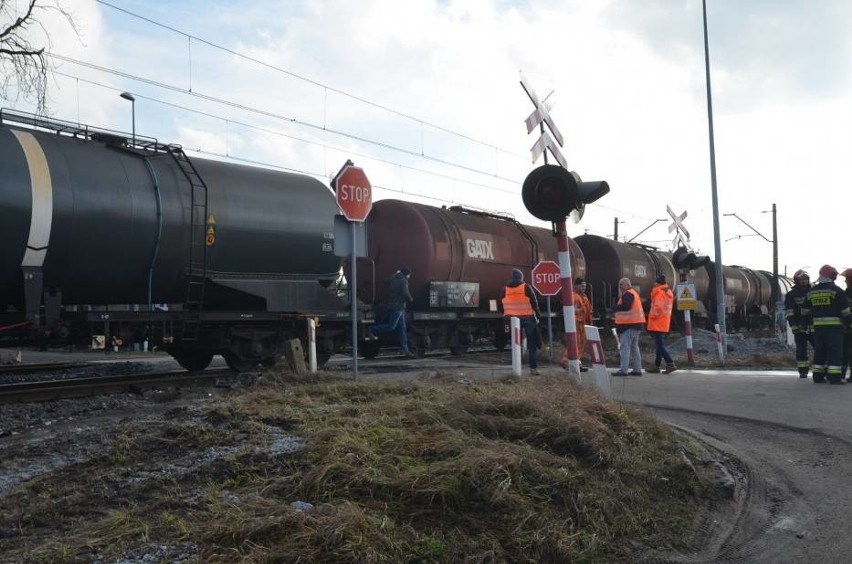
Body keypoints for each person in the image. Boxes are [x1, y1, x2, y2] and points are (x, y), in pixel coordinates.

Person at [800, 265, 852, 384]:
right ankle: (834, 378)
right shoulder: (836, 291)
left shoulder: (812, 291)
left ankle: (817, 376)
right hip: (834, 328)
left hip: (818, 328)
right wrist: (849, 324)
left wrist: (806, 323)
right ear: (832, 276)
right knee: (834, 352)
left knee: (820, 351)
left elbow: (804, 311)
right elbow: (845, 311)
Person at [366, 266, 415, 358]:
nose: (409, 276)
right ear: (407, 274)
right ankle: (371, 329)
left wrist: (394, 275)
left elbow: (386, 281)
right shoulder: (403, 280)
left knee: (402, 329)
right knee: (391, 326)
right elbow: (405, 292)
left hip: (396, 306)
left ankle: (405, 350)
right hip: (398, 306)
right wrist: (411, 299)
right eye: (409, 275)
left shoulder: (394, 279)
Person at [501, 268, 541, 375]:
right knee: (532, 343)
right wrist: (538, 315)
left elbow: (500, 304)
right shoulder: (526, 287)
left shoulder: (505, 289)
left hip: (511, 319)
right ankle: (533, 368)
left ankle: (516, 369)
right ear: (521, 278)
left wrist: (506, 314)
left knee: (514, 343)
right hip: (527, 318)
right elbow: (534, 302)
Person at [612, 277, 645, 376]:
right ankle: (637, 369)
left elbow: (626, 306)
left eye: (621, 285)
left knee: (624, 348)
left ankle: (623, 370)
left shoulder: (628, 294)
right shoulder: (633, 293)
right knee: (634, 348)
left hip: (628, 326)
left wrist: (614, 307)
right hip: (636, 325)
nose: (620, 287)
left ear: (627, 285)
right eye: (620, 285)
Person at [784, 269, 813, 378]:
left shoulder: (813, 292)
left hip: (813, 326)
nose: (804, 281)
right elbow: (789, 311)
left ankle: (821, 370)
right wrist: (793, 324)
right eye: (801, 279)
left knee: (820, 348)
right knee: (801, 350)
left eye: (805, 279)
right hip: (799, 326)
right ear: (796, 281)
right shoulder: (791, 295)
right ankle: (803, 371)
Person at [646, 274, 677, 374]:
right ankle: (656, 366)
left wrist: (652, 317)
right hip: (664, 321)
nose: (653, 284)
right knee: (659, 345)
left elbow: (658, 308)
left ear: (658, 283)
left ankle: (670, 363)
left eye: (655, 282)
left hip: (657, 321)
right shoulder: (667, 292)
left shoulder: (659, 292)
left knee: (659, 345)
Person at [560, 277, 592, 371]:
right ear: (576, 286)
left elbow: (588, 311)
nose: (584, 288)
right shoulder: (574, 297)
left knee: (580, 345)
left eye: (584, 286)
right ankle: (566, 362)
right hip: (576, 324)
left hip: (582, 324)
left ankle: (577, 363)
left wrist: (589, 323)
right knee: (575, 344)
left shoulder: (584, 297)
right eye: (582, 286)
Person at [842, 268, 852, 381]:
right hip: (845, 328)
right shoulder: (844, 293)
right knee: (844, 351)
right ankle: (842, 373)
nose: (845, 281)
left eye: (847, 278)